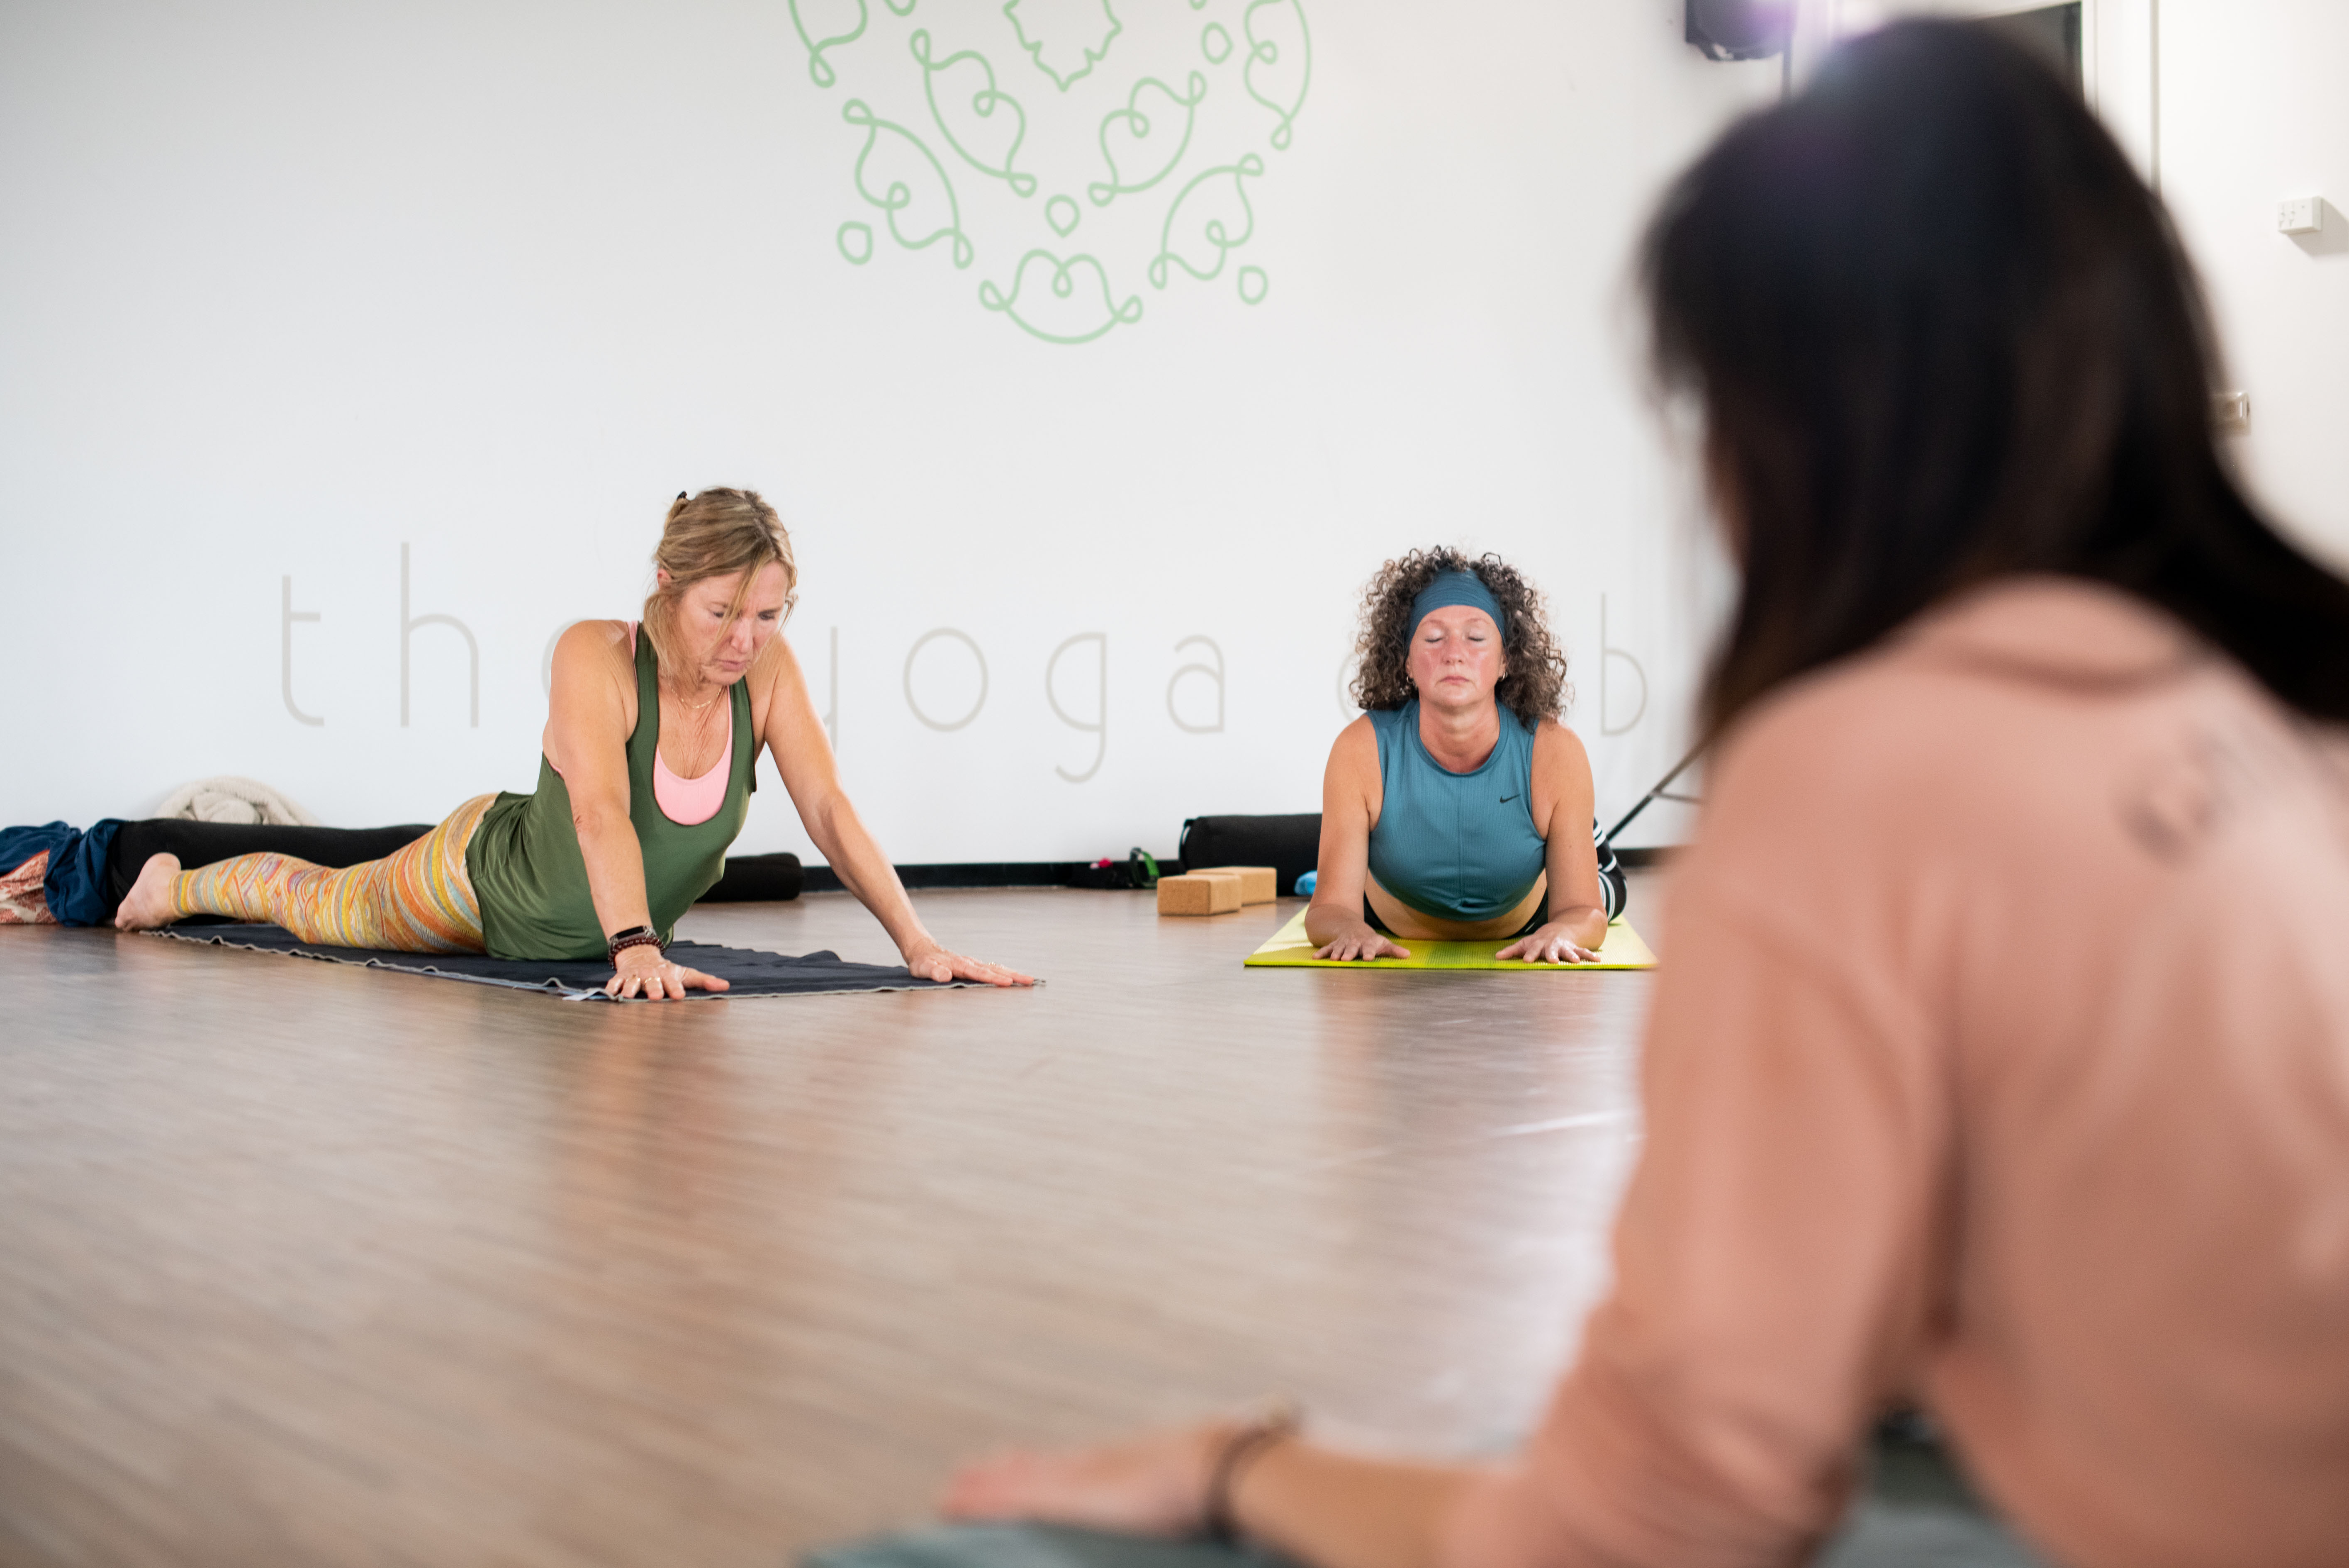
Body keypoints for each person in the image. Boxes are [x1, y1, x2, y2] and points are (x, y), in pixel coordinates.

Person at [940, 21, 2349, 1568]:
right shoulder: (2299, 688)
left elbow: (1648, 1522)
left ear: (1775, 427)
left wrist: (1235, 1460)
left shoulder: (1838, 781)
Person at [117, 489, 1034, 998]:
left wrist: (917, 941)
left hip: (585, 935)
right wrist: (635, 946)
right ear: (669, 586)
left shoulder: (769, 671)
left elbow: (829, 810)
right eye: (721, 612)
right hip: (480, 886)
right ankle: (175, 883)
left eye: (767, 614)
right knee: (321, 908)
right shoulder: (595, 654)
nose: (743, 640)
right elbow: (598, 814)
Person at [1304, 549, 1625, 965]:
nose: (1454, 653)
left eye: (1476, 638)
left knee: (1610, 888)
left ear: (1506, 660)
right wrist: (1346, 927)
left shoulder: (1556, 751)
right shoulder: (1359, 749)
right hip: (1394, 912)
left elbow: (1585, 913)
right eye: (1434, 638)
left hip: (1527, 914)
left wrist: (1567, 929)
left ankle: (1588, 832)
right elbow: (1328, 912)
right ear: (1405, 662)